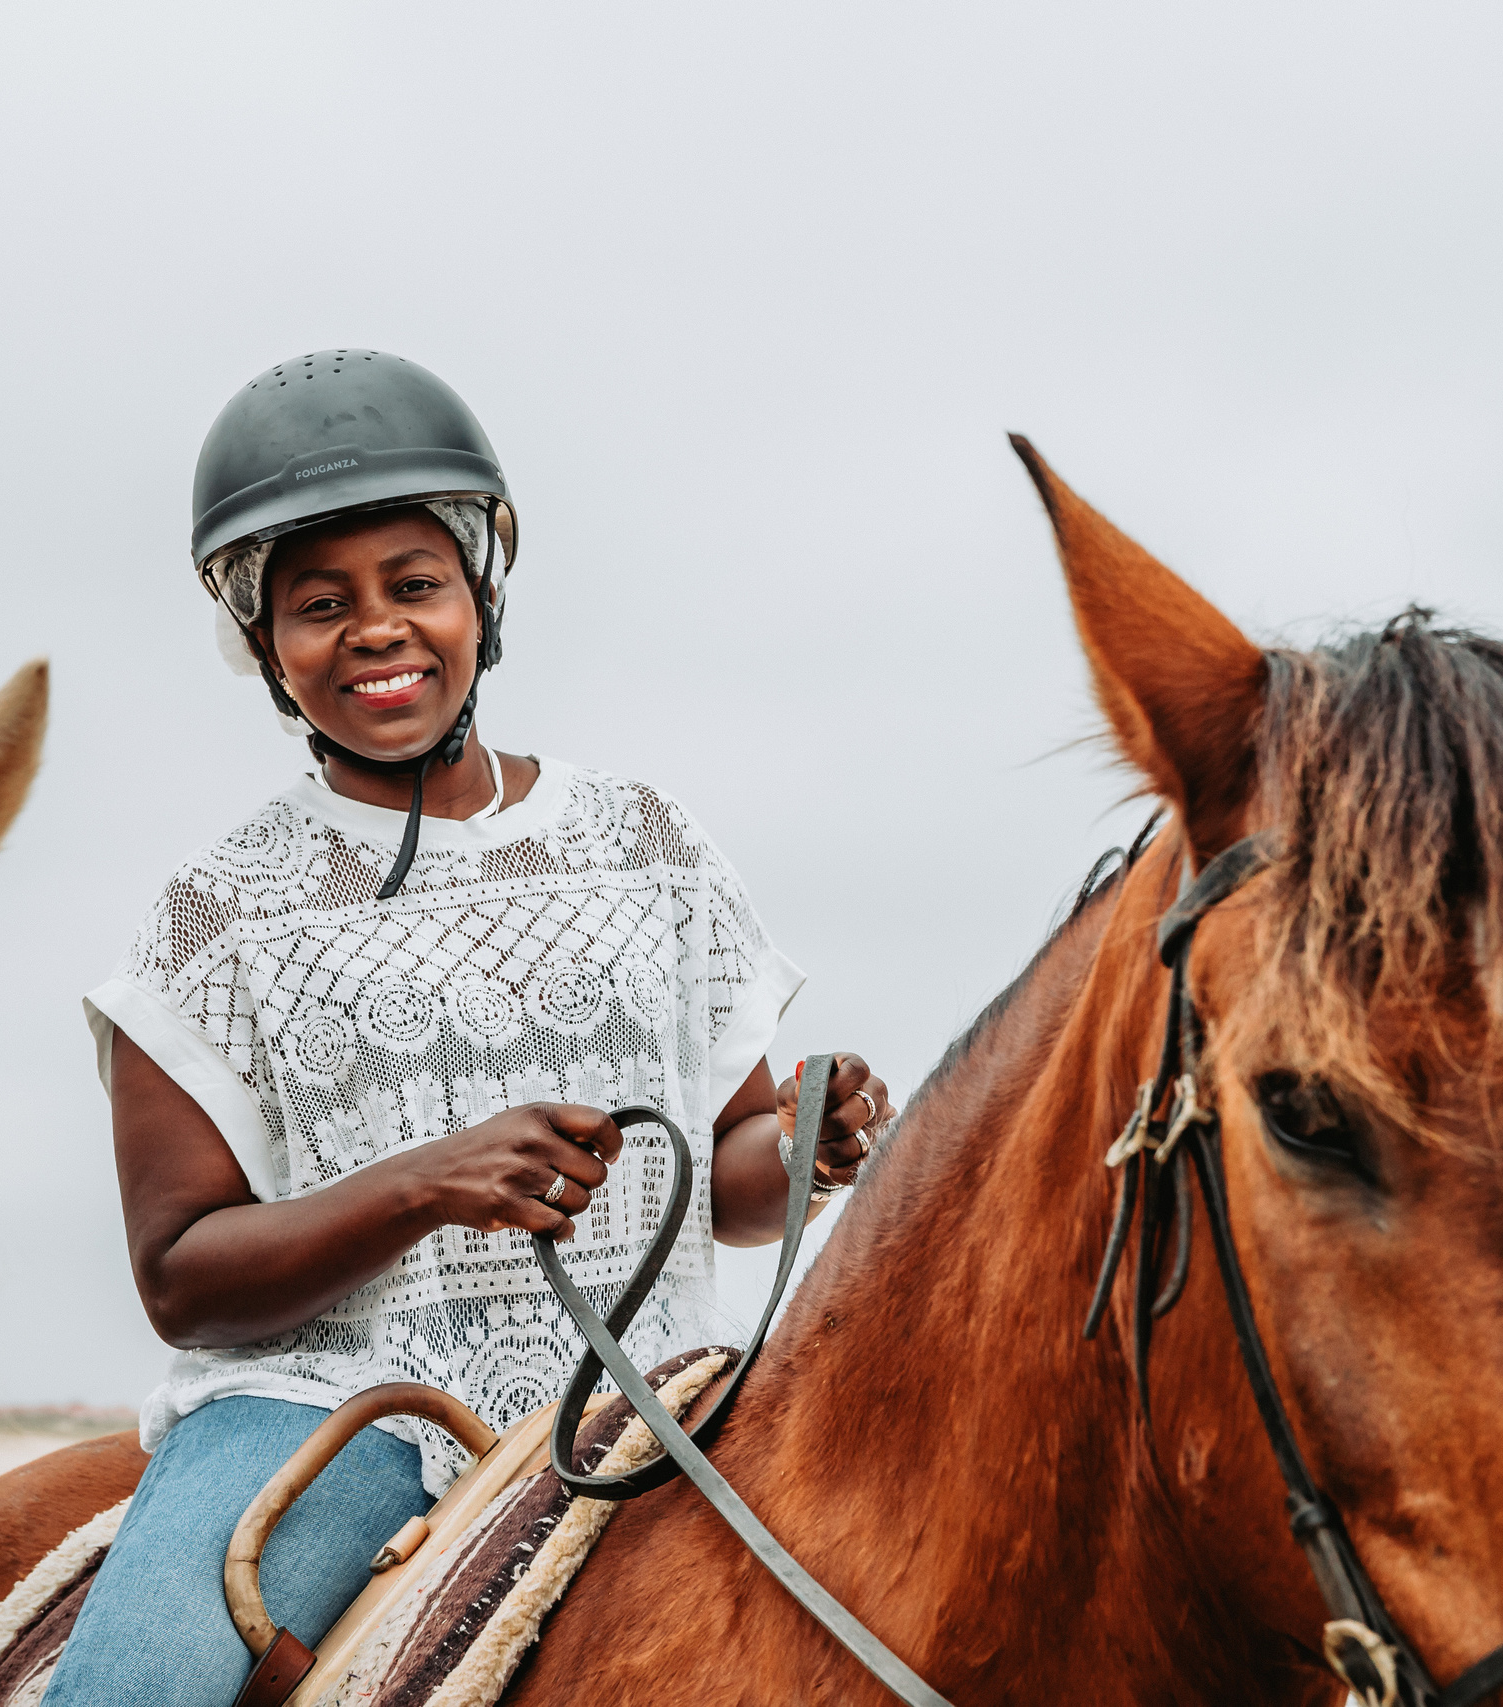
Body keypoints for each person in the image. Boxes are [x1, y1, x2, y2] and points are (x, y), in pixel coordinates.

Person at [43, 351, 888, 1706]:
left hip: (656, 1397)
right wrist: (425, 1185)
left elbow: (727, 1175)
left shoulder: (653, 846)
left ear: (480, 597)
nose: (375, 629)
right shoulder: (209, 923)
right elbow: (183, 1275)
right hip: (335, 1419)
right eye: (320, 605)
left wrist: (806, 1143)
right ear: (264, 646)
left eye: (414, 585)